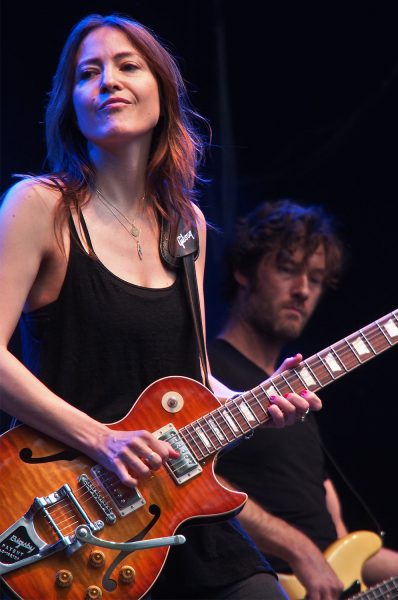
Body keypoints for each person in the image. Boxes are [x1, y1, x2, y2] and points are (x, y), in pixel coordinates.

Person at [0, 14, 322, 600]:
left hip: (173, 498)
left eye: (128, 66)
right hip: (67, 502)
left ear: (162, 91)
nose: (107, 82)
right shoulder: (38, 206)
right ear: (70, 102)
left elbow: (193, 380)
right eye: (87, 73)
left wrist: (263, 399)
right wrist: (102, 439)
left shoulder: (186, 227)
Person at [209, 200, 398, 600]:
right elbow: (191, 482)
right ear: (243, 270)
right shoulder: (206, 372)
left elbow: (343, 545)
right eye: (287, 269)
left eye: (315, 279)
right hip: (252, 583)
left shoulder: (299, 402)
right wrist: (298, 549)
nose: (303, 290)